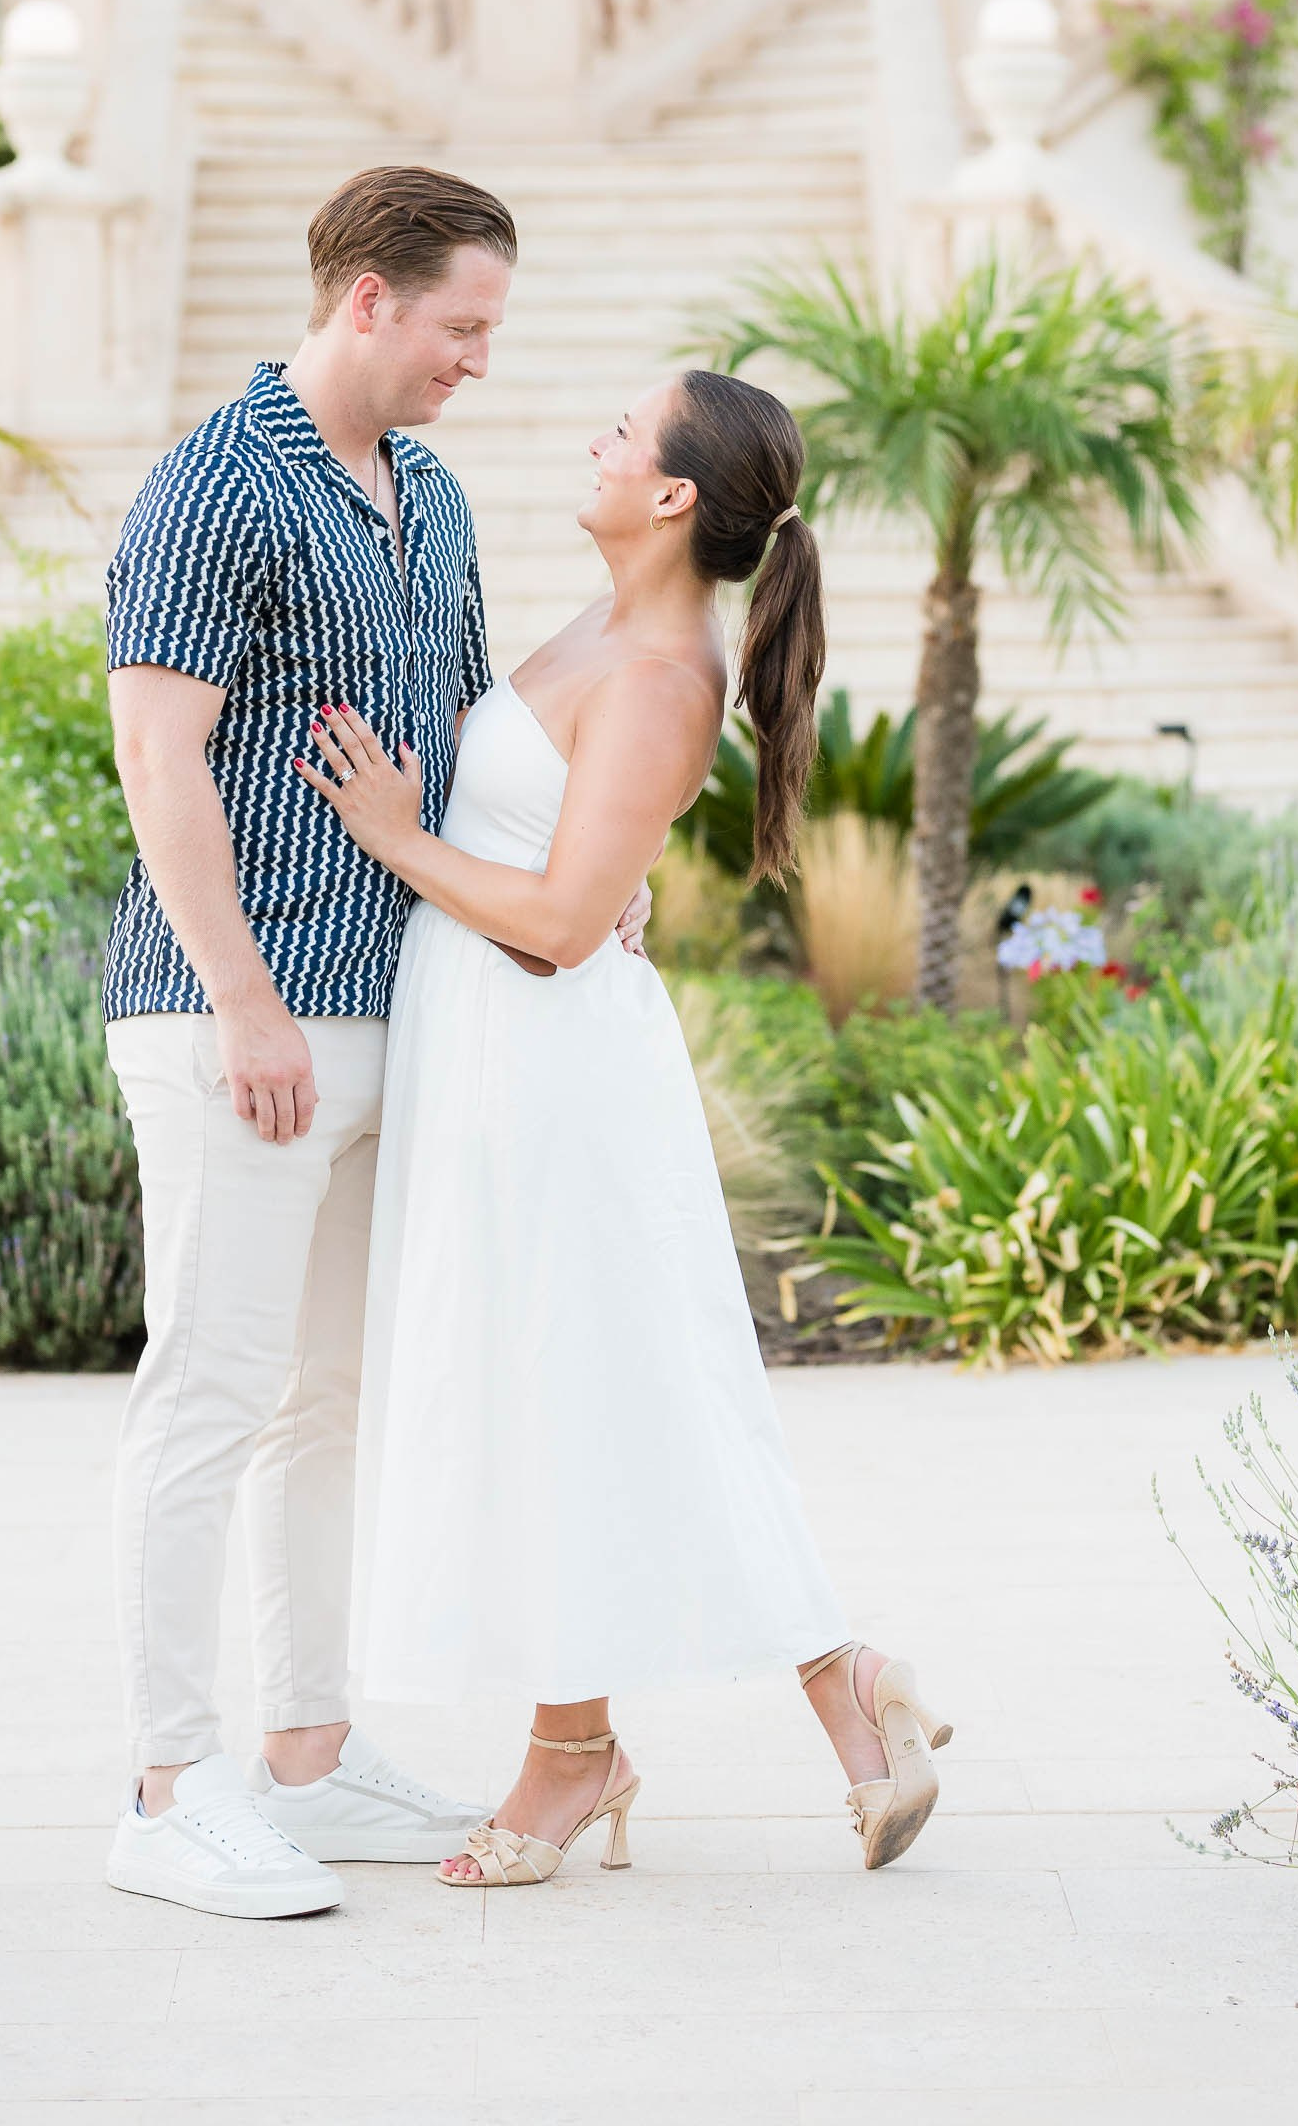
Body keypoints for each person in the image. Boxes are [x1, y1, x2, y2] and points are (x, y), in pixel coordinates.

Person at [299, 367, 953, 1887]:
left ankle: (634, 1740)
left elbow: (559, 927)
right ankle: (765, 1708)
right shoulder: (610, 629)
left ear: (671, 496)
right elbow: (576, 864)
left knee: (594, 1394)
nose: (591, 439)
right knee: (565, 1406)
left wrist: (399, 838)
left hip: (552, 1076)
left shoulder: (664, 668)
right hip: (501, 1064)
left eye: (620, 430)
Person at [97, 164, 519, 1921]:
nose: (476, 364)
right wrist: (248, 997)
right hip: (235, 1018)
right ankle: (166, 1788)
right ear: (368, 299)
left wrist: (566, 886)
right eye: (460, 328)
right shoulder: (216, 481)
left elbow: (474, 731)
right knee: (207, 1394)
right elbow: (159, 755)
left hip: (392, 1014)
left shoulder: (428, 490)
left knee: (326, 1409)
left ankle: (308, 1759)